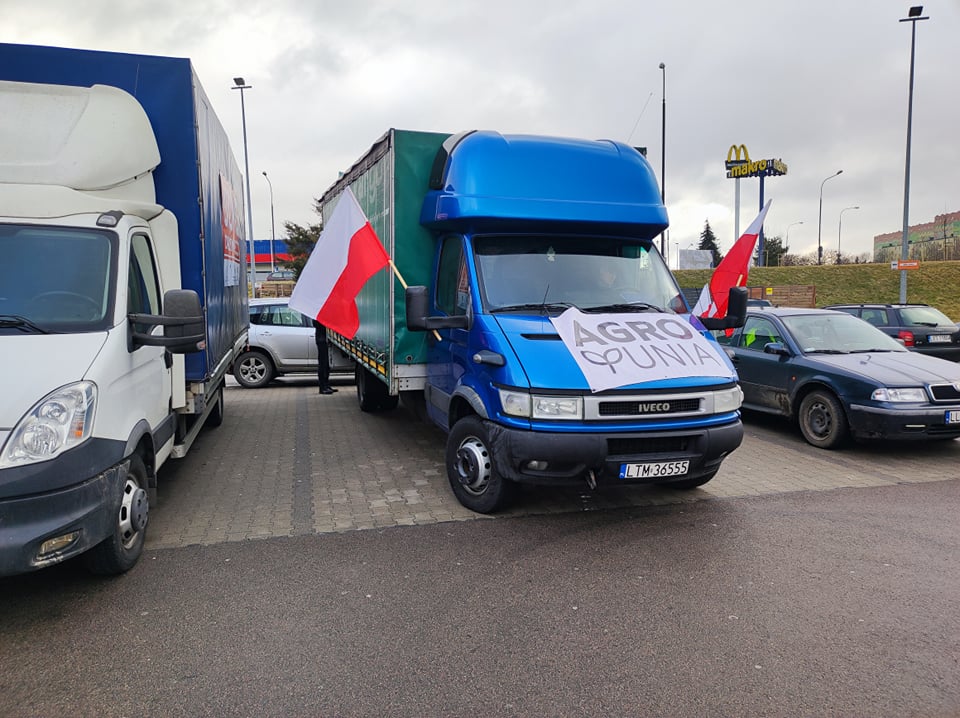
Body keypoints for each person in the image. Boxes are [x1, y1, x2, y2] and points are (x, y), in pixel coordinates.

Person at [313, 319, 336, 394]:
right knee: (323, 363)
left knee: (326, 365)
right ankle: (322, 387)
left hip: (324, 338)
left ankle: (326, 384)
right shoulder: (317, 315)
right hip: (321, 340)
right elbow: (316, 324)